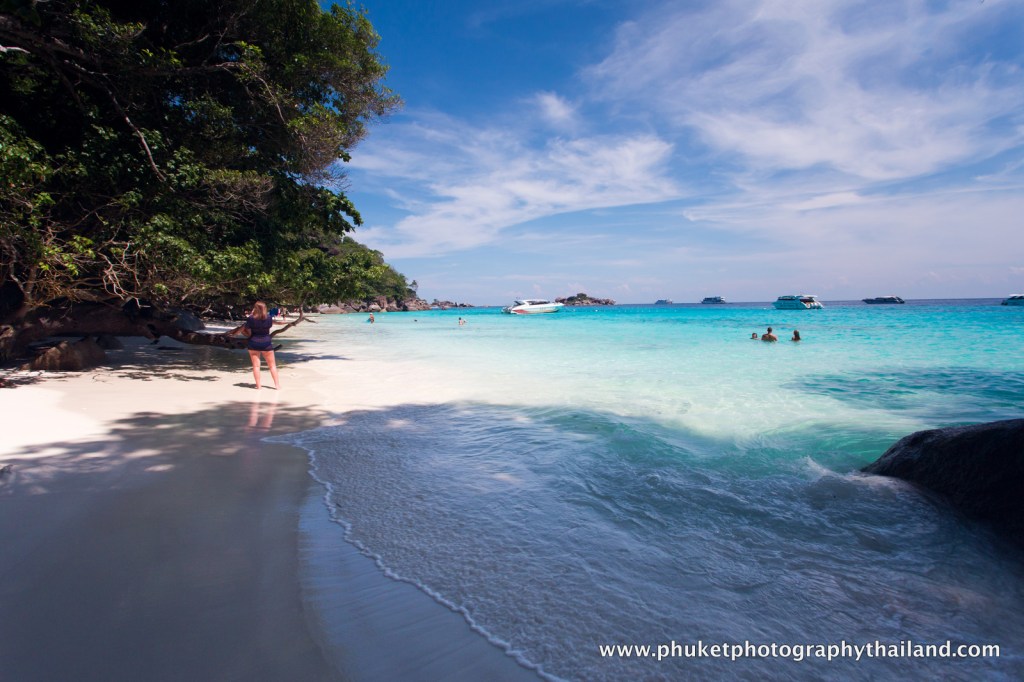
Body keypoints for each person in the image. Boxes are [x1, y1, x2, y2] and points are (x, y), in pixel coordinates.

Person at [232, 301, 281, 390]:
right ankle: (277, 386)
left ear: (255, 309)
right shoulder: (269, 318)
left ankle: (259, 386)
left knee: (256, 366)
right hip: (266, 343)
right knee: (272, 366)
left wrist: (251, 315)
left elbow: (248, 332)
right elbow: (267, 327)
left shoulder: (251, 319)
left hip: (253, 342)